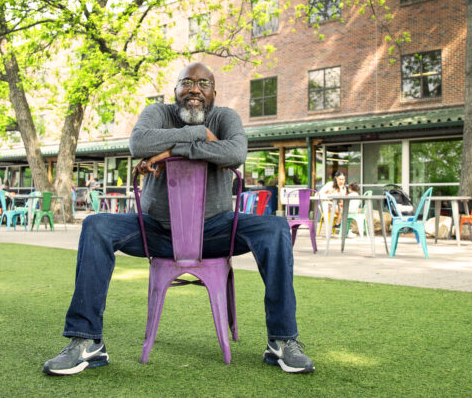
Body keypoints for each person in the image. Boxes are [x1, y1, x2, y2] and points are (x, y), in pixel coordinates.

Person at [43, 62, 313, 376]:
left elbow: (235, 153)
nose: (194, 89)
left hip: (215, 230)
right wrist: (200, 134)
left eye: (203, 83)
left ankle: (282, 341)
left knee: (276, 227)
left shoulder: (226, 118)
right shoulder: (157, 113)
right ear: (176, 90)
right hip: (155, 230)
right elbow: (138, 144)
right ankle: (86, 342)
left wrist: (164, 152)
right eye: (186, 82)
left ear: (214, 91)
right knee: (95, 225)